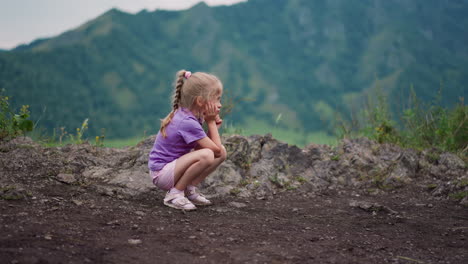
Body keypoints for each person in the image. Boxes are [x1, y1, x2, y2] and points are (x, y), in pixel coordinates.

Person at [148, 70, 227, 210]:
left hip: (173, 169)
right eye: (217, 99)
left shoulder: (192, 115)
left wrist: (213, 126)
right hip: (161, 174)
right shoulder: (187, 121)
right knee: (210, 154)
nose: (220, 104)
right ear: (200, 101)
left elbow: (201, 148)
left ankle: (188, 189)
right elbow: (215, 151)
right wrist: (211, 123)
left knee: (219, 152)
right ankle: (175, 194)